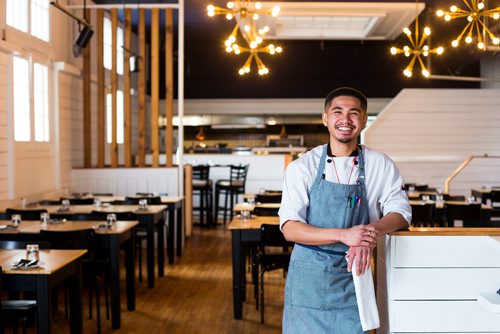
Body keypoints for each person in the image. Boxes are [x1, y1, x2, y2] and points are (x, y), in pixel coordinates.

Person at [279, 87, 411, 333]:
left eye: (354, 113)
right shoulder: (302, 167)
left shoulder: (380, 164)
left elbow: (401, 212)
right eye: (338, 112)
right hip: (309, 280)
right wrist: (344, 235)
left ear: (363, 119)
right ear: (325, 118)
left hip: (354, 278)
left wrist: (368, 233)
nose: (346, 120)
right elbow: (290, 228)